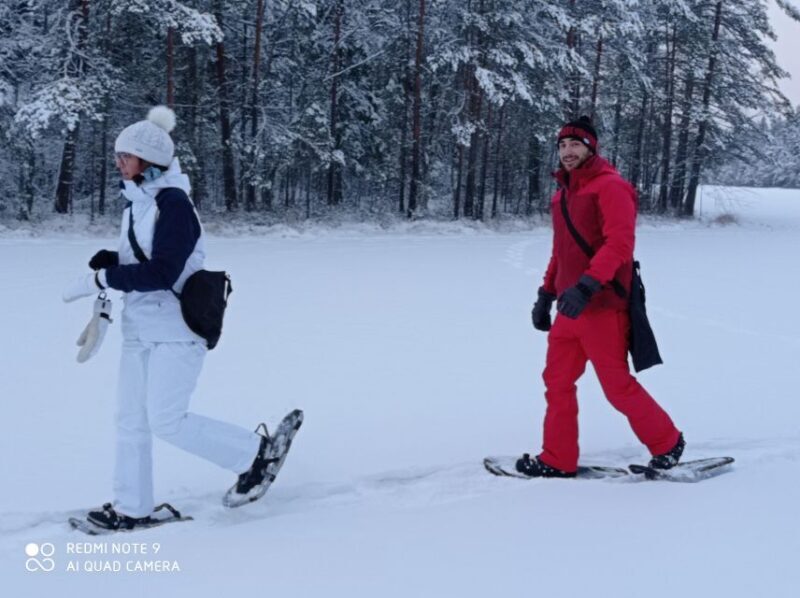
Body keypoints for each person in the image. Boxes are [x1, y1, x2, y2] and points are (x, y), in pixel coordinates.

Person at [62, 106, 293, 530]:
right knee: (130, 420)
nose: (119, 162)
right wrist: (113, 259)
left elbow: (164, 271)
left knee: (166, 421)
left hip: (175, 330)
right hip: (139, 328)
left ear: (150, 161)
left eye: (126, 156)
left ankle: (255, 455)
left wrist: (103, 276)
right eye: (117, 155)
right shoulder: (138, 203)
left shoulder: (174, 204)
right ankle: (132, 508)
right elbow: (148, 257)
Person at [520, 116, 684, 478]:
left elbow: (620, 244)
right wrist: (545, 294)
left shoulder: (610, 187)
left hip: (602, 307)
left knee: (616, 387)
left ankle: (667, 441)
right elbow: (561, 252)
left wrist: (587, 286)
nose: (567, 151)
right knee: (557, 382)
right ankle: (557, 458)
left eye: (575, 144)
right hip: (569, 309)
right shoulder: (563, 194)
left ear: (591, 148)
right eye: (562, 145)